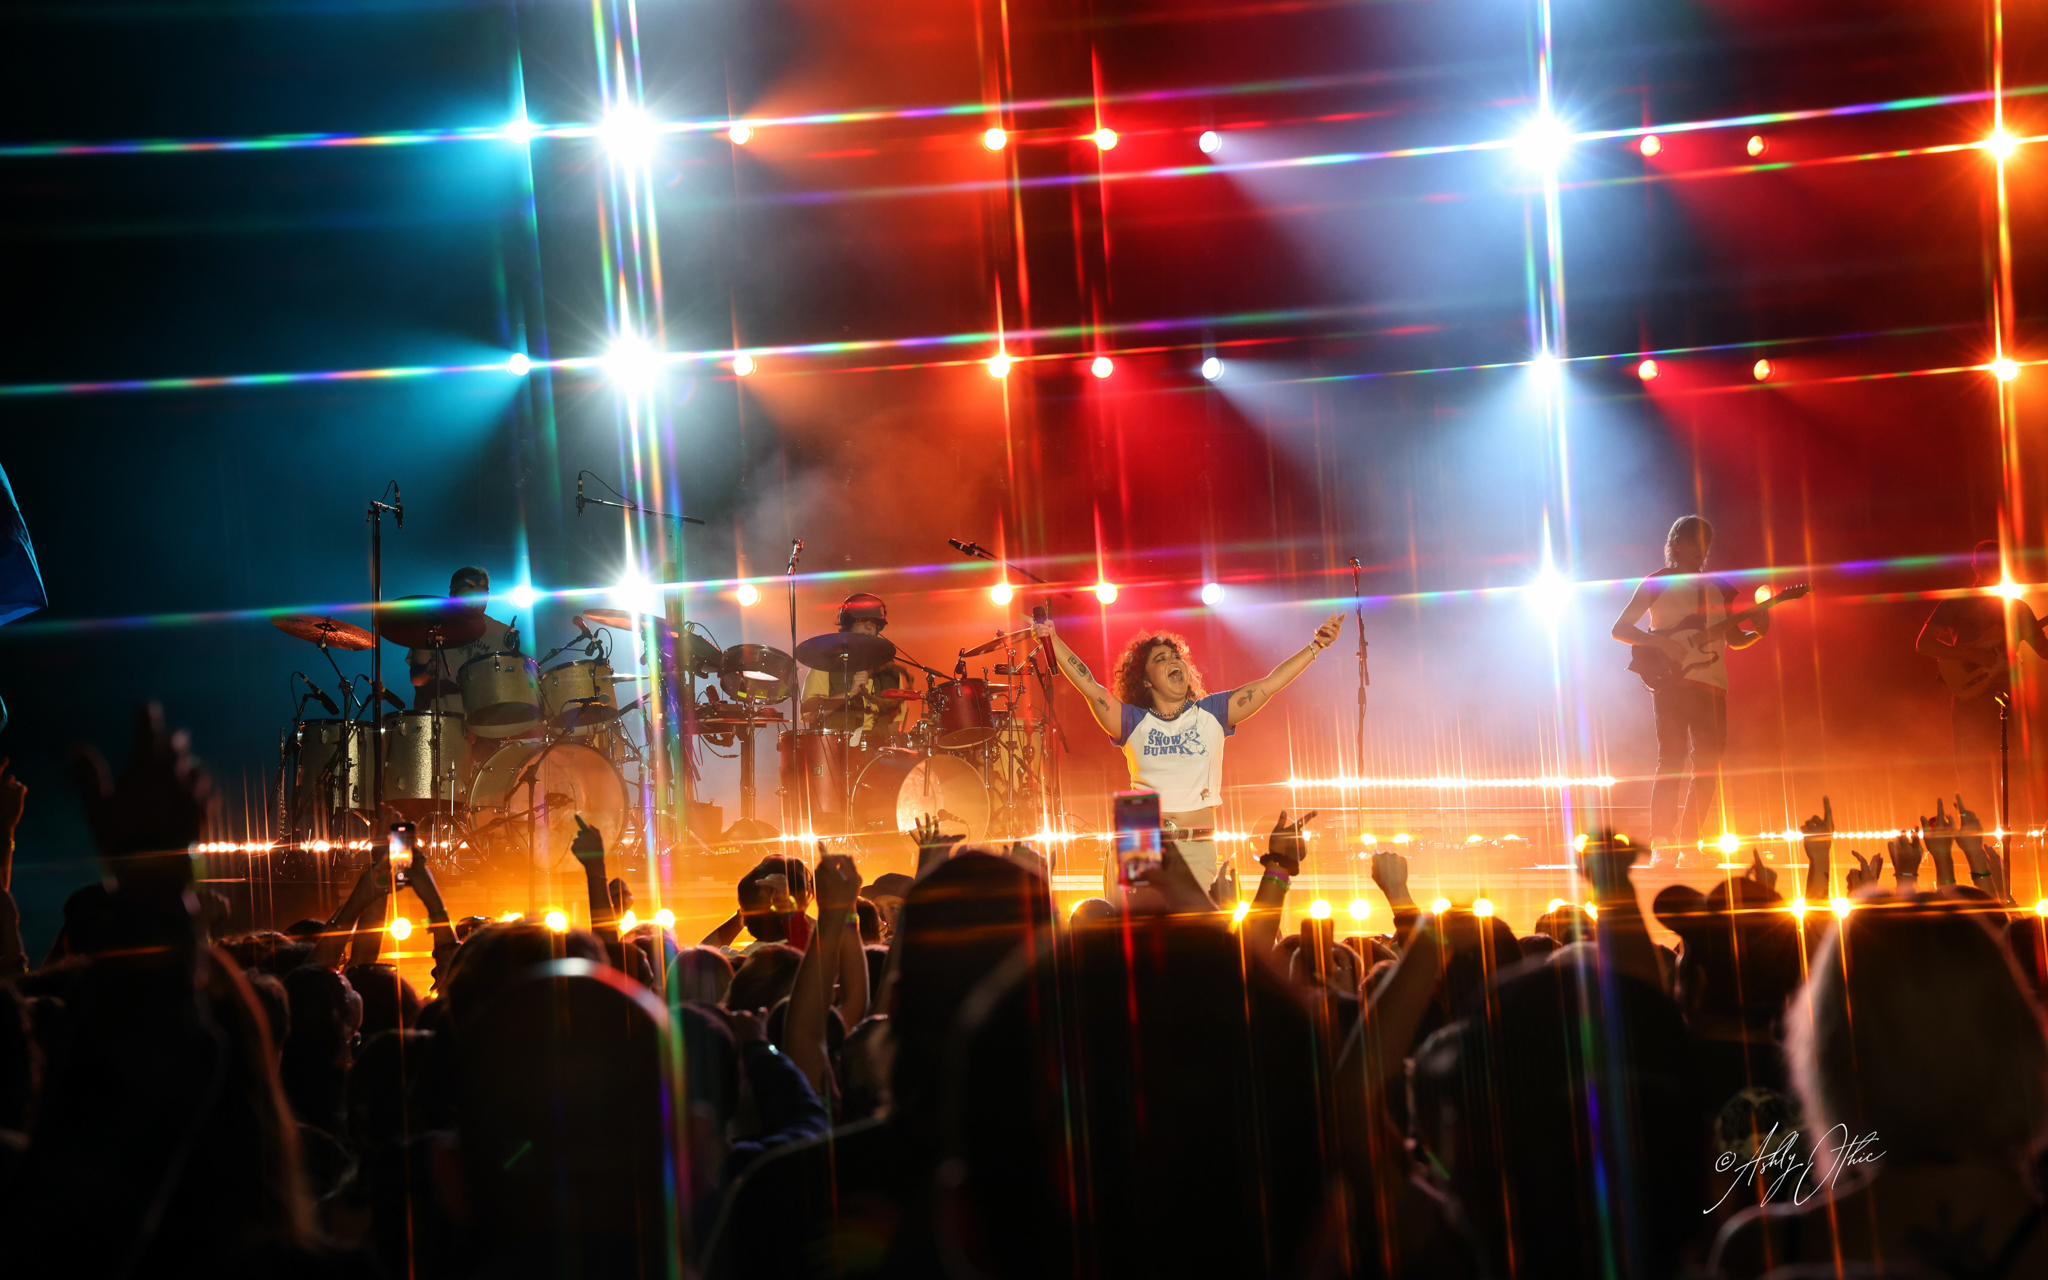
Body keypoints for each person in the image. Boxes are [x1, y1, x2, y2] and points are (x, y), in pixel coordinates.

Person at [1036, 609, 1345, 887]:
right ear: (1146, 681)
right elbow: (1089, 686)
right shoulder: (1131, 721)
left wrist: (1317, 645)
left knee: (1193, 928)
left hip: (1197, 847)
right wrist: (1053, 639)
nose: (1172, 661)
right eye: (1160, 659)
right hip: (1141, 842)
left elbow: (1269, 684)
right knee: (1142, 930)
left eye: (1175, 656)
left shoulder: (1213, 713)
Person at [1611, 515, 1770, 856]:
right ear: (1677, 544)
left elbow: (1733, 639)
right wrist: (1661, 643)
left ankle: (1688, 842)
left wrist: (1757, 632)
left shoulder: (1720, 588)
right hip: (1673, 682)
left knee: (1708, 767)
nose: (1702, 550)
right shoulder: (1657, 582)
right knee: (1672, 759)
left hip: (1713, 686)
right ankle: (1662, 841)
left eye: (1706, 544)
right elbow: (1620, 629)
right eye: (1695, 542)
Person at [1916, 538, 2048, 803]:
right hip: (1970, 696)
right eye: (1987, 564)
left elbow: (2044, 652)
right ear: (1975, 567)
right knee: (1970, 768)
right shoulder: (1957, 602)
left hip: (2009, 695)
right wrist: (1972, 655)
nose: (1993, 568)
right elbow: (1924, 644)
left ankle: (2016, 824)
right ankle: (1975, 821)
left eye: (1998, 564)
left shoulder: (2017, 608)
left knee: (2015, 767)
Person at [406, 565, 523, 722]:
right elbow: (417, 680)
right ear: (452, 597)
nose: (474, 603)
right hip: (441, 724)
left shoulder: (501, 633)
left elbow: (513, 684)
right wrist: (427, 671)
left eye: (480, 596)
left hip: (488, 725)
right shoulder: (431, 628)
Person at [799, 592, 912, 741]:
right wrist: (849, 694)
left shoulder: (891, 670)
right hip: (837, 749)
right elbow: (809, 715)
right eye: (862, 620)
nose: (868, 626)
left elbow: (894, 725)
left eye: (874, 622)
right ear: (849, 623)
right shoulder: (825, 662)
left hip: (878, 750)